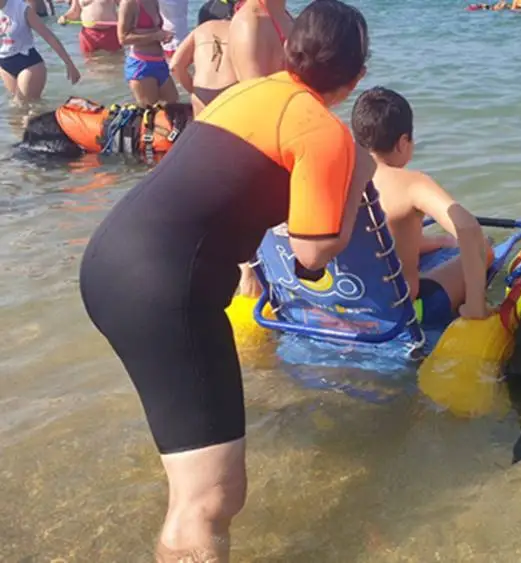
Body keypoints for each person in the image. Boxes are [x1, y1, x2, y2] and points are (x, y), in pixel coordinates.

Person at [78, 1, 374, 560]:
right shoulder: (324, 132)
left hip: (108, 258)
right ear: (358, 75)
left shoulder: (245, 93)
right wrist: (358, 180)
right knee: (210, 499)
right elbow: (312, 255)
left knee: (194, 484)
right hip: (163, 290)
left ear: (291, 50)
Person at [351, 87, 492, 324]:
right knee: (484, 249)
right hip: (402, 315)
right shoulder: (411, 183)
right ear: (402, 142)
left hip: (346, 303)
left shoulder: (336, 174)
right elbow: (467, 228)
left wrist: (438, 242)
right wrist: (475, 307)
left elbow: (379, 237)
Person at [229, 0, 294, 298]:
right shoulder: (250, 21)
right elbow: (254, 98)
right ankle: (247, 267)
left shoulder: (286, 15)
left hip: (291, 130)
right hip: (262, 137)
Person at [1, 0, 80, 101]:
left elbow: (48, 36)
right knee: (19, 109)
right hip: (5, 66)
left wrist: (69, 64)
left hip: (28, 63)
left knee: (24, 104)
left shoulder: (21, 8)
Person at [169, 0, 237, 113]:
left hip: (202, 97)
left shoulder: (201, 28)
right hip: (232, 95)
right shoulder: (242, 30)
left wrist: (194, 91)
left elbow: (175, 66)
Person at [118, 0, 180, 105]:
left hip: (160, 62)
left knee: (175, 105)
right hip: (141, 65)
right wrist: (155, 36)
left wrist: (163, 36)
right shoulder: (129, 3)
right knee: (151, 112)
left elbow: (153, 30)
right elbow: (123, 38)